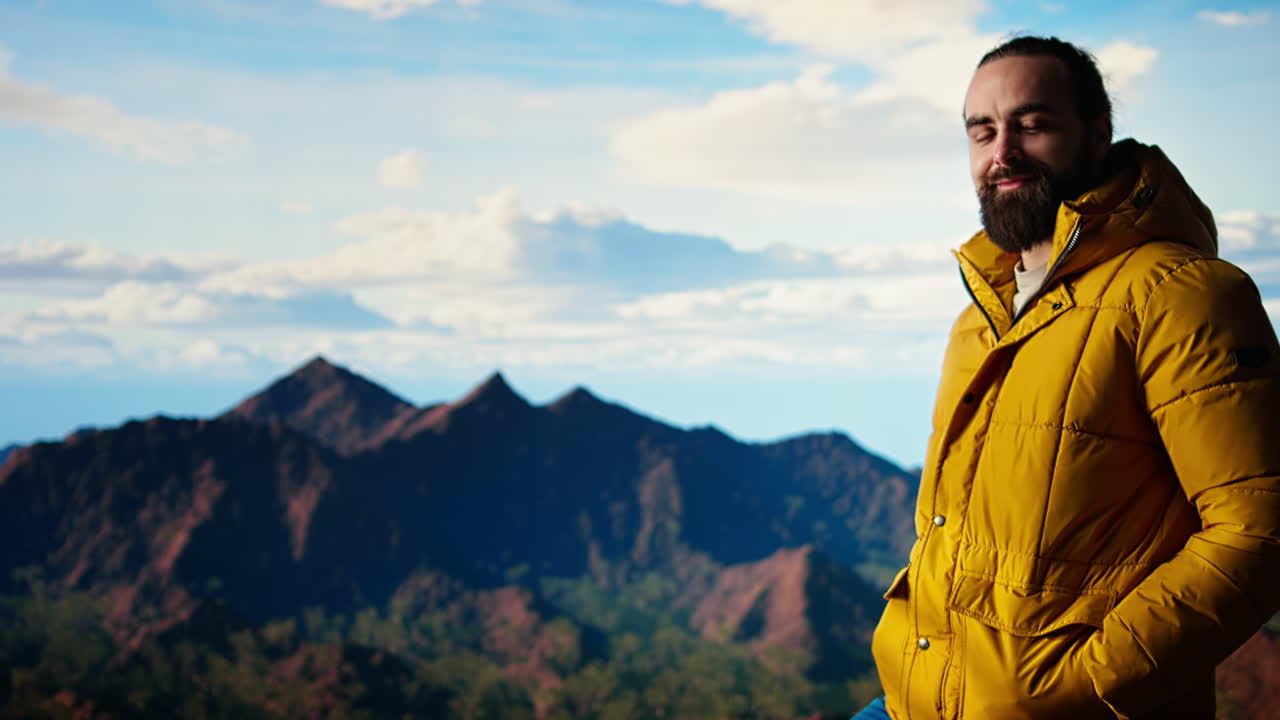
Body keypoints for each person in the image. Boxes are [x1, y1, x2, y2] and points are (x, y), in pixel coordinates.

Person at [855, 35, 1280, 720]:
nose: (1003, 152)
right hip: (916, 701)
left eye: (1034, 123)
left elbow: (1258, 531)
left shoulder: (1179, 293)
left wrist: (1082, 685)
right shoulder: (980, 322)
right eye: (983, 131)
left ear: (1098, 133)